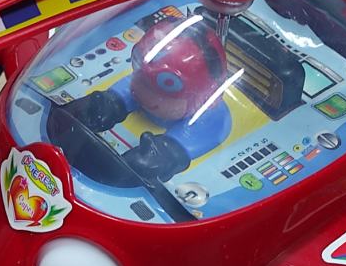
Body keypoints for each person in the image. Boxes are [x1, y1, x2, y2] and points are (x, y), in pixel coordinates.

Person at [62, 13, 232, 182]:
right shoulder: (142, 78)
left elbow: (193, 139)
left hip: (197, 124)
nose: (144, 92)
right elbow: (132, 84)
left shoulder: (209, 118)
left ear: (201, 99)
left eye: (167, 88)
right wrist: (109, 103)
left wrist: (168, 153)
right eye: (141, 77)